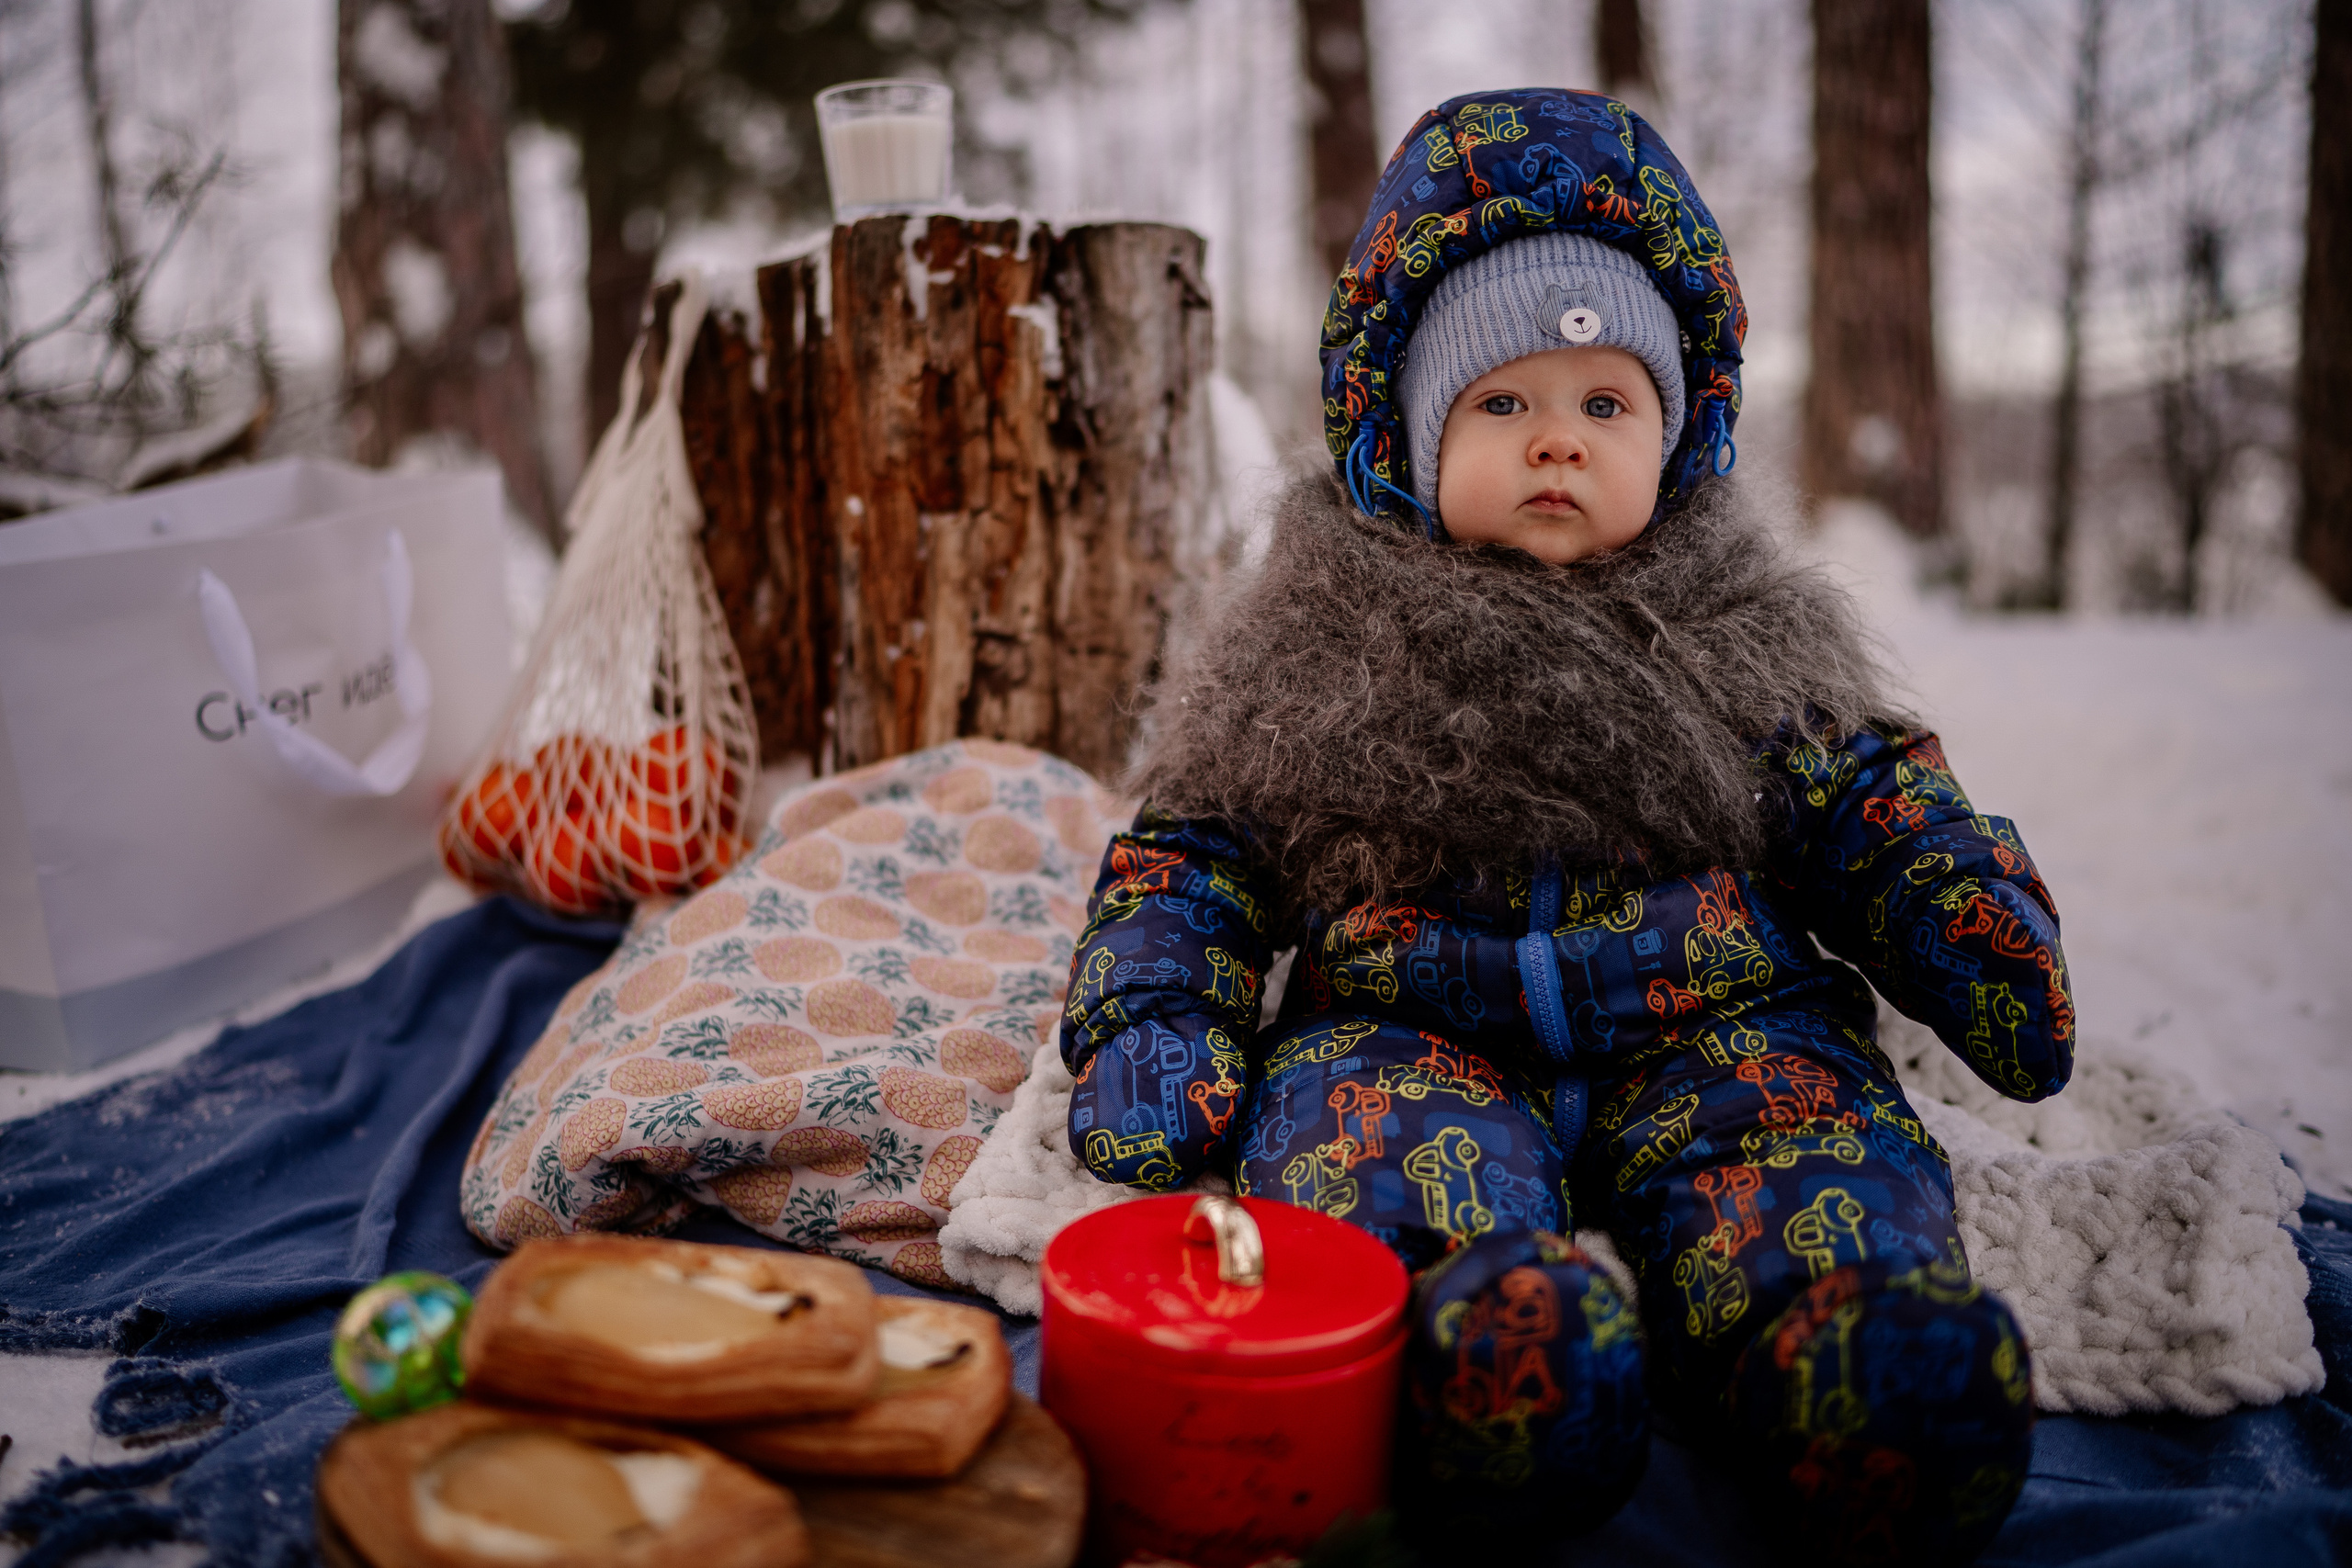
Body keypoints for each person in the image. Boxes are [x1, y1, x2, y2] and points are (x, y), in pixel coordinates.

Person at [1059, 87, 2071, 1565]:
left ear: (1679, 432)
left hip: (1713, 1023)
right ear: (1405, 434)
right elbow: (1197, 845)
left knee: (1804, 1153)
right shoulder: (1319, 640)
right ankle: (1492, 1365)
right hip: (1412, 1022)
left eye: (1606, 406)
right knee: (1371, 1158)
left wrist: (1956, 902)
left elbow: (1867, 792)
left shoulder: (1748, 632)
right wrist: (1157, 1011)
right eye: (1503, 403)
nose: (1557, 445)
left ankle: (1856, 1371)